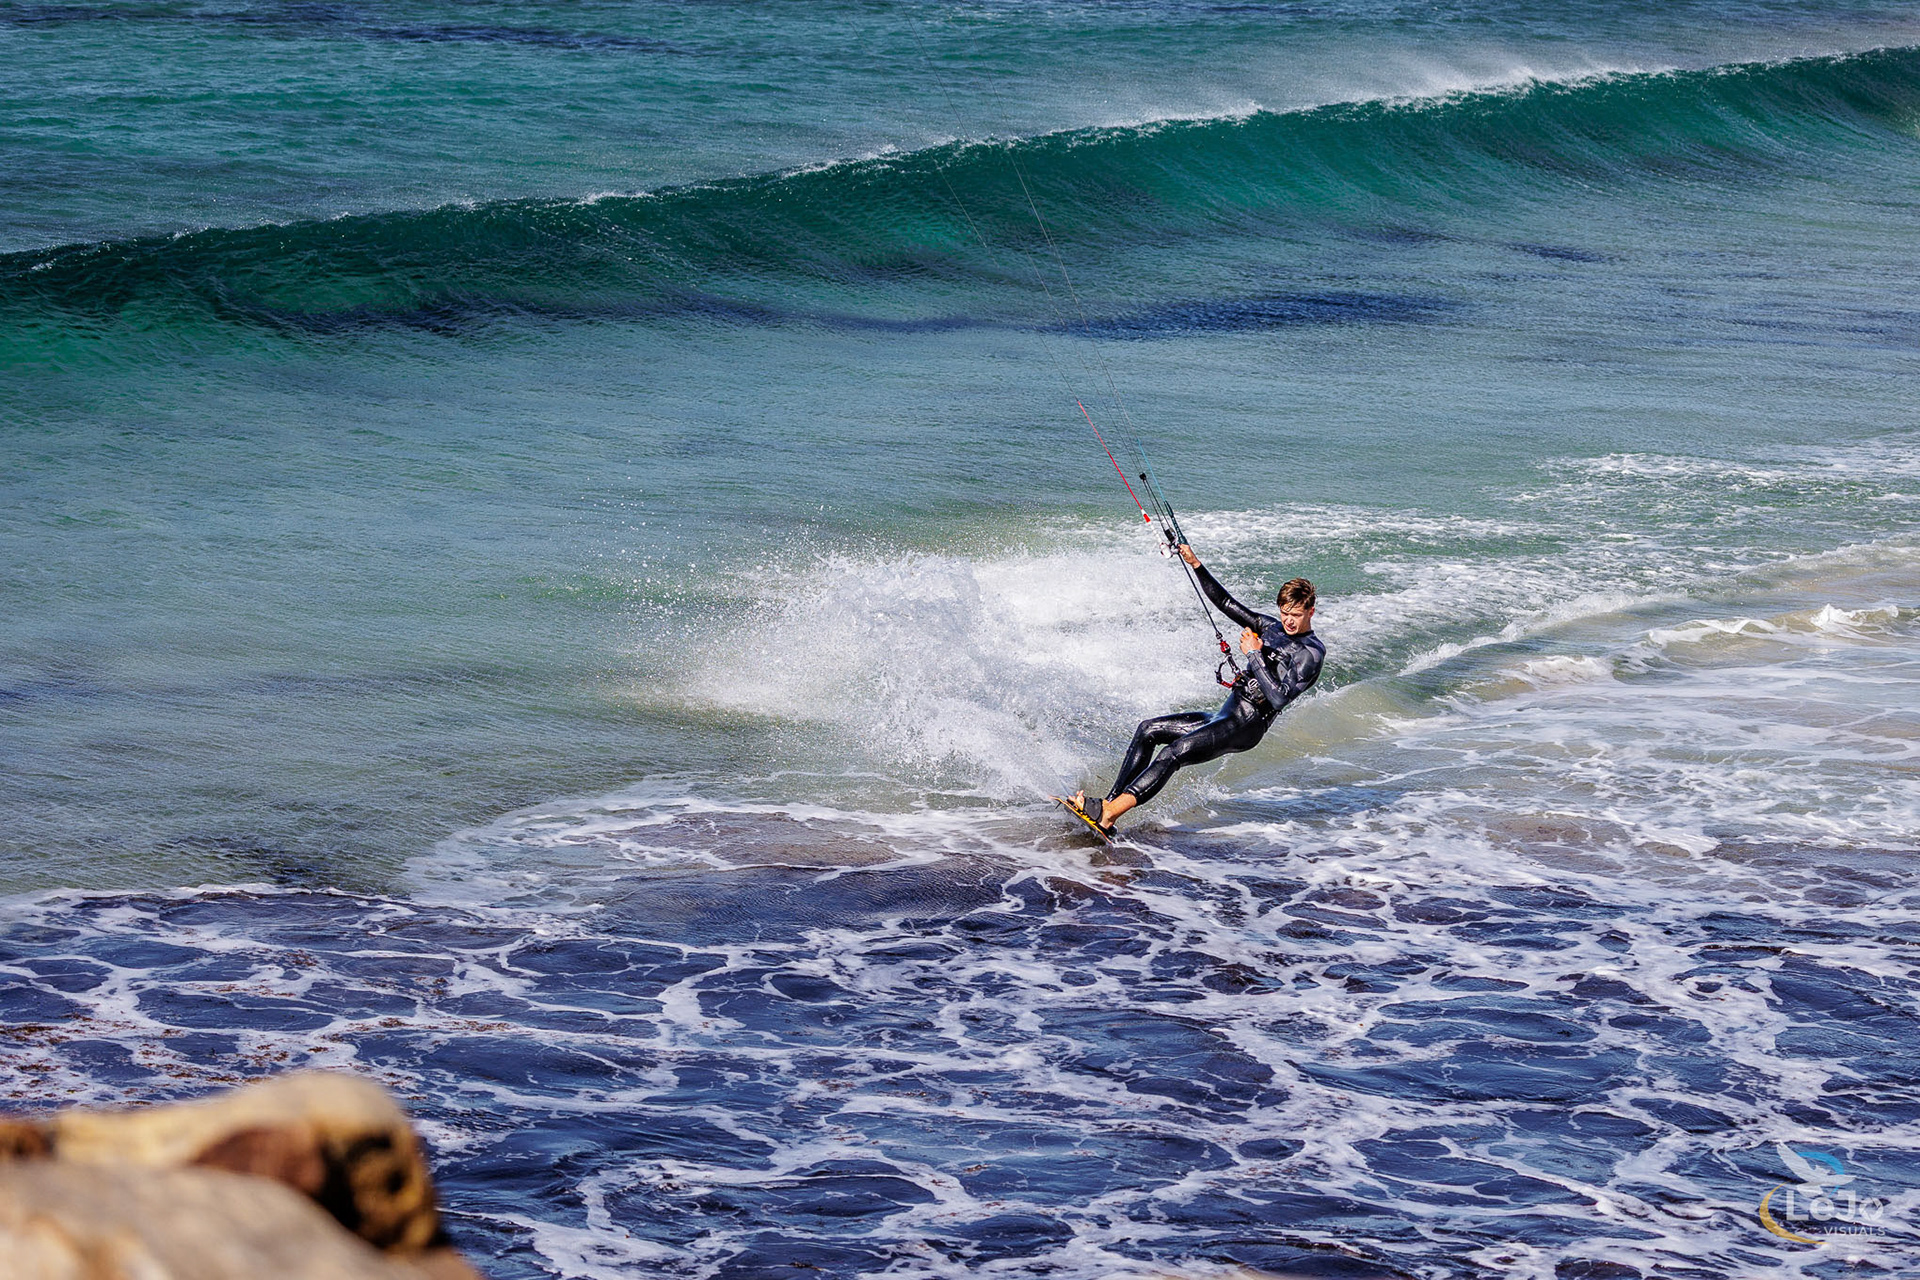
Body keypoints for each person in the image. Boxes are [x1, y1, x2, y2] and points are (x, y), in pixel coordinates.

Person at [1068, 544, 1323, 834]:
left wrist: (1253, 654)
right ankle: (1108, 806)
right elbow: (1226, 604)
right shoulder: (1271, 627)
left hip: (1247, 725)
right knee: (1148, 730)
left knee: (1173, 753)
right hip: (1225, 713)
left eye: (1296, 614)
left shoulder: (1311, 654)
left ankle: (1110, 814)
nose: (1289, 620)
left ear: (1310, 611)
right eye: (1284, 612)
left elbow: (1278, 698)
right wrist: (1196, 564)